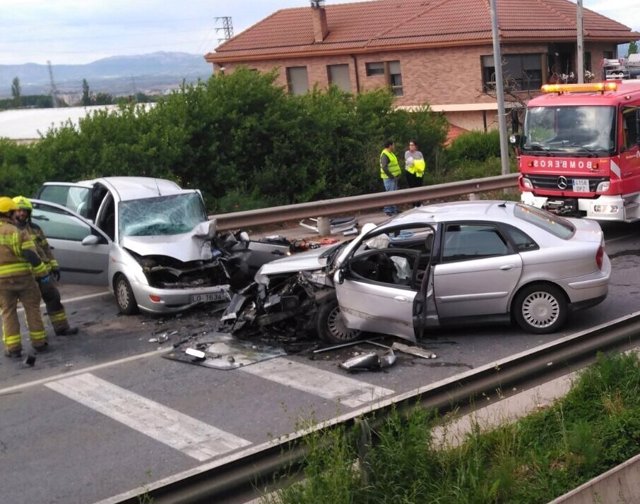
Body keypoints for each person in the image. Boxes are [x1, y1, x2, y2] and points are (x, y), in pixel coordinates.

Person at [13, 196, 78, 336]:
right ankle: (38, 337)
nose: (22, 213)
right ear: (13, 211)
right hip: (26, 275)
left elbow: (45, 248)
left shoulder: (35, 228)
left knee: (54, 298)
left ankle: (61, 328)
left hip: (43, 272)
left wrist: (54, 265)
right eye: (19, 210)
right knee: (32, 306)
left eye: (25, 210)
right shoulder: (10, 231)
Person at [0, 196, 50, 358]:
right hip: (24, 279)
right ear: (9, 213)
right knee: (32, 309)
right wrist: (43, 273)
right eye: (15, 211)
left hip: (2, 283)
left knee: (8, 312)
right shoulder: (18, 232)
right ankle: (39, 343)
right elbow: (31, 255)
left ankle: (13, 348)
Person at [380, 140, 402, 216]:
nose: (394, 146)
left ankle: (393, 209)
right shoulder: (385, 154)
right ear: (390, 146)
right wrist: (391, 176)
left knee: (393, 194)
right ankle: (388, 210)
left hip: (393, 177)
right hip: (389, 178)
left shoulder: (390, 153)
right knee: (390, 194)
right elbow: (384, 167)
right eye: (393, 145)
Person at [404, 139, 426, 207]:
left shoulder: (419, 153)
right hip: (410, 174)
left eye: (412, 145)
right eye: (410, 145)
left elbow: (422, 163)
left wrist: (415, 162)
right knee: (412, 189)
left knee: (419, 189)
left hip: (419, 173)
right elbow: (410, 162)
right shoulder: (407, 153)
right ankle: (414, 205)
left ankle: (419, 203)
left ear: (415, 146)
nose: (411, 146)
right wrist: (417, 163)